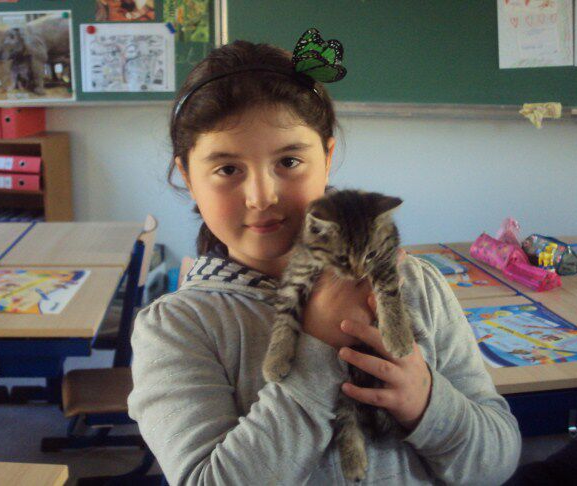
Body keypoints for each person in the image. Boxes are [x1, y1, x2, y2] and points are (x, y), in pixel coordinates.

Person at [128, 32, 521, 485]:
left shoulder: (414, 284)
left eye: (289, 162)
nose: (261, 196)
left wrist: (428, 404)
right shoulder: (176, 329)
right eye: (227, 169)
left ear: (327, 157)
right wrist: (316, 344)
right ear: (187, 176)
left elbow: (497, 459)